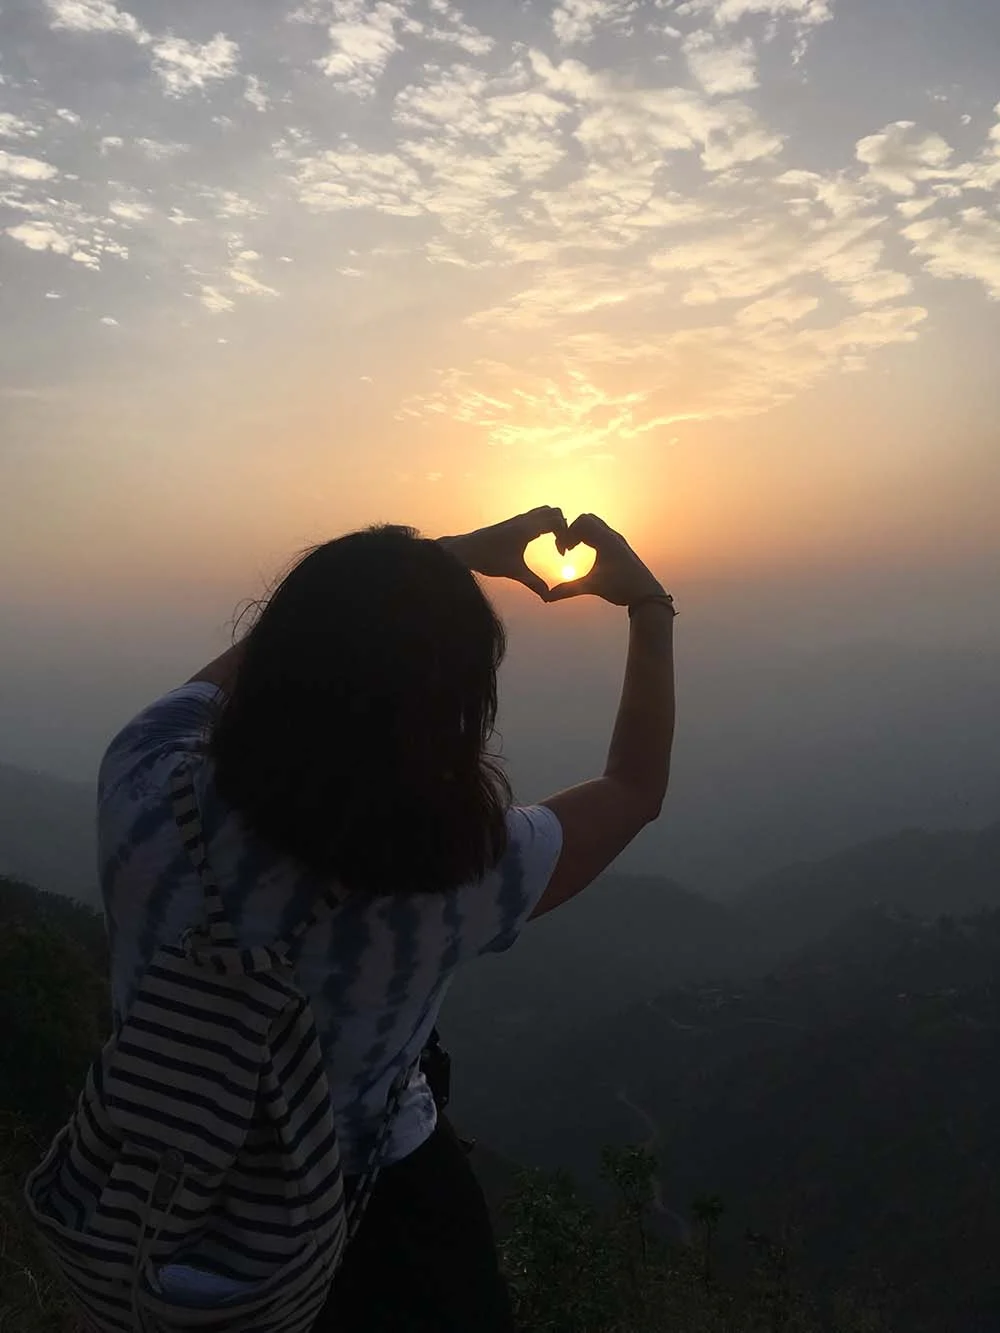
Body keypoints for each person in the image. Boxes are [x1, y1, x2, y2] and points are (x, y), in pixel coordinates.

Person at [96, 507, 676, 1332]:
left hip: (155, 1199)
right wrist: (648, 606)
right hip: (379, 1231)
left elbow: (247, 671)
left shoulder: (142, 778)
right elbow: (633, 789)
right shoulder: (453, 871)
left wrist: (422, 567)